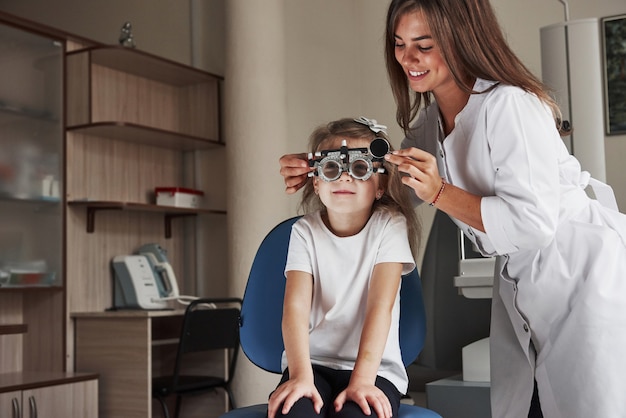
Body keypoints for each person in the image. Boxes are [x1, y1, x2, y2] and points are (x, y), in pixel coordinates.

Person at [278, 1, 626, 417]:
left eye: (423, 44)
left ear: (462, 39)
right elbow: (378, 167)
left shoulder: (510, 105)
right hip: (522, 281)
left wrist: (441, 192)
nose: (408, 58)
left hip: (582, 273)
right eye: (399, 44)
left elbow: (533, 223)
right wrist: (322, 164)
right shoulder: (429, 124)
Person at [268, 117, 421, 418]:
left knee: (357, 414)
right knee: (295, 411)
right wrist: (299, 376)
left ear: (380, 187)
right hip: (312, 364)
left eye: (361, 169)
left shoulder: (390, 226)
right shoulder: (304, 231)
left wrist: (363, 380)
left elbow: (380, 307)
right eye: (331, 168)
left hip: (374, 369)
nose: (344, 178)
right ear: (316, 181)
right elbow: (295, 308)